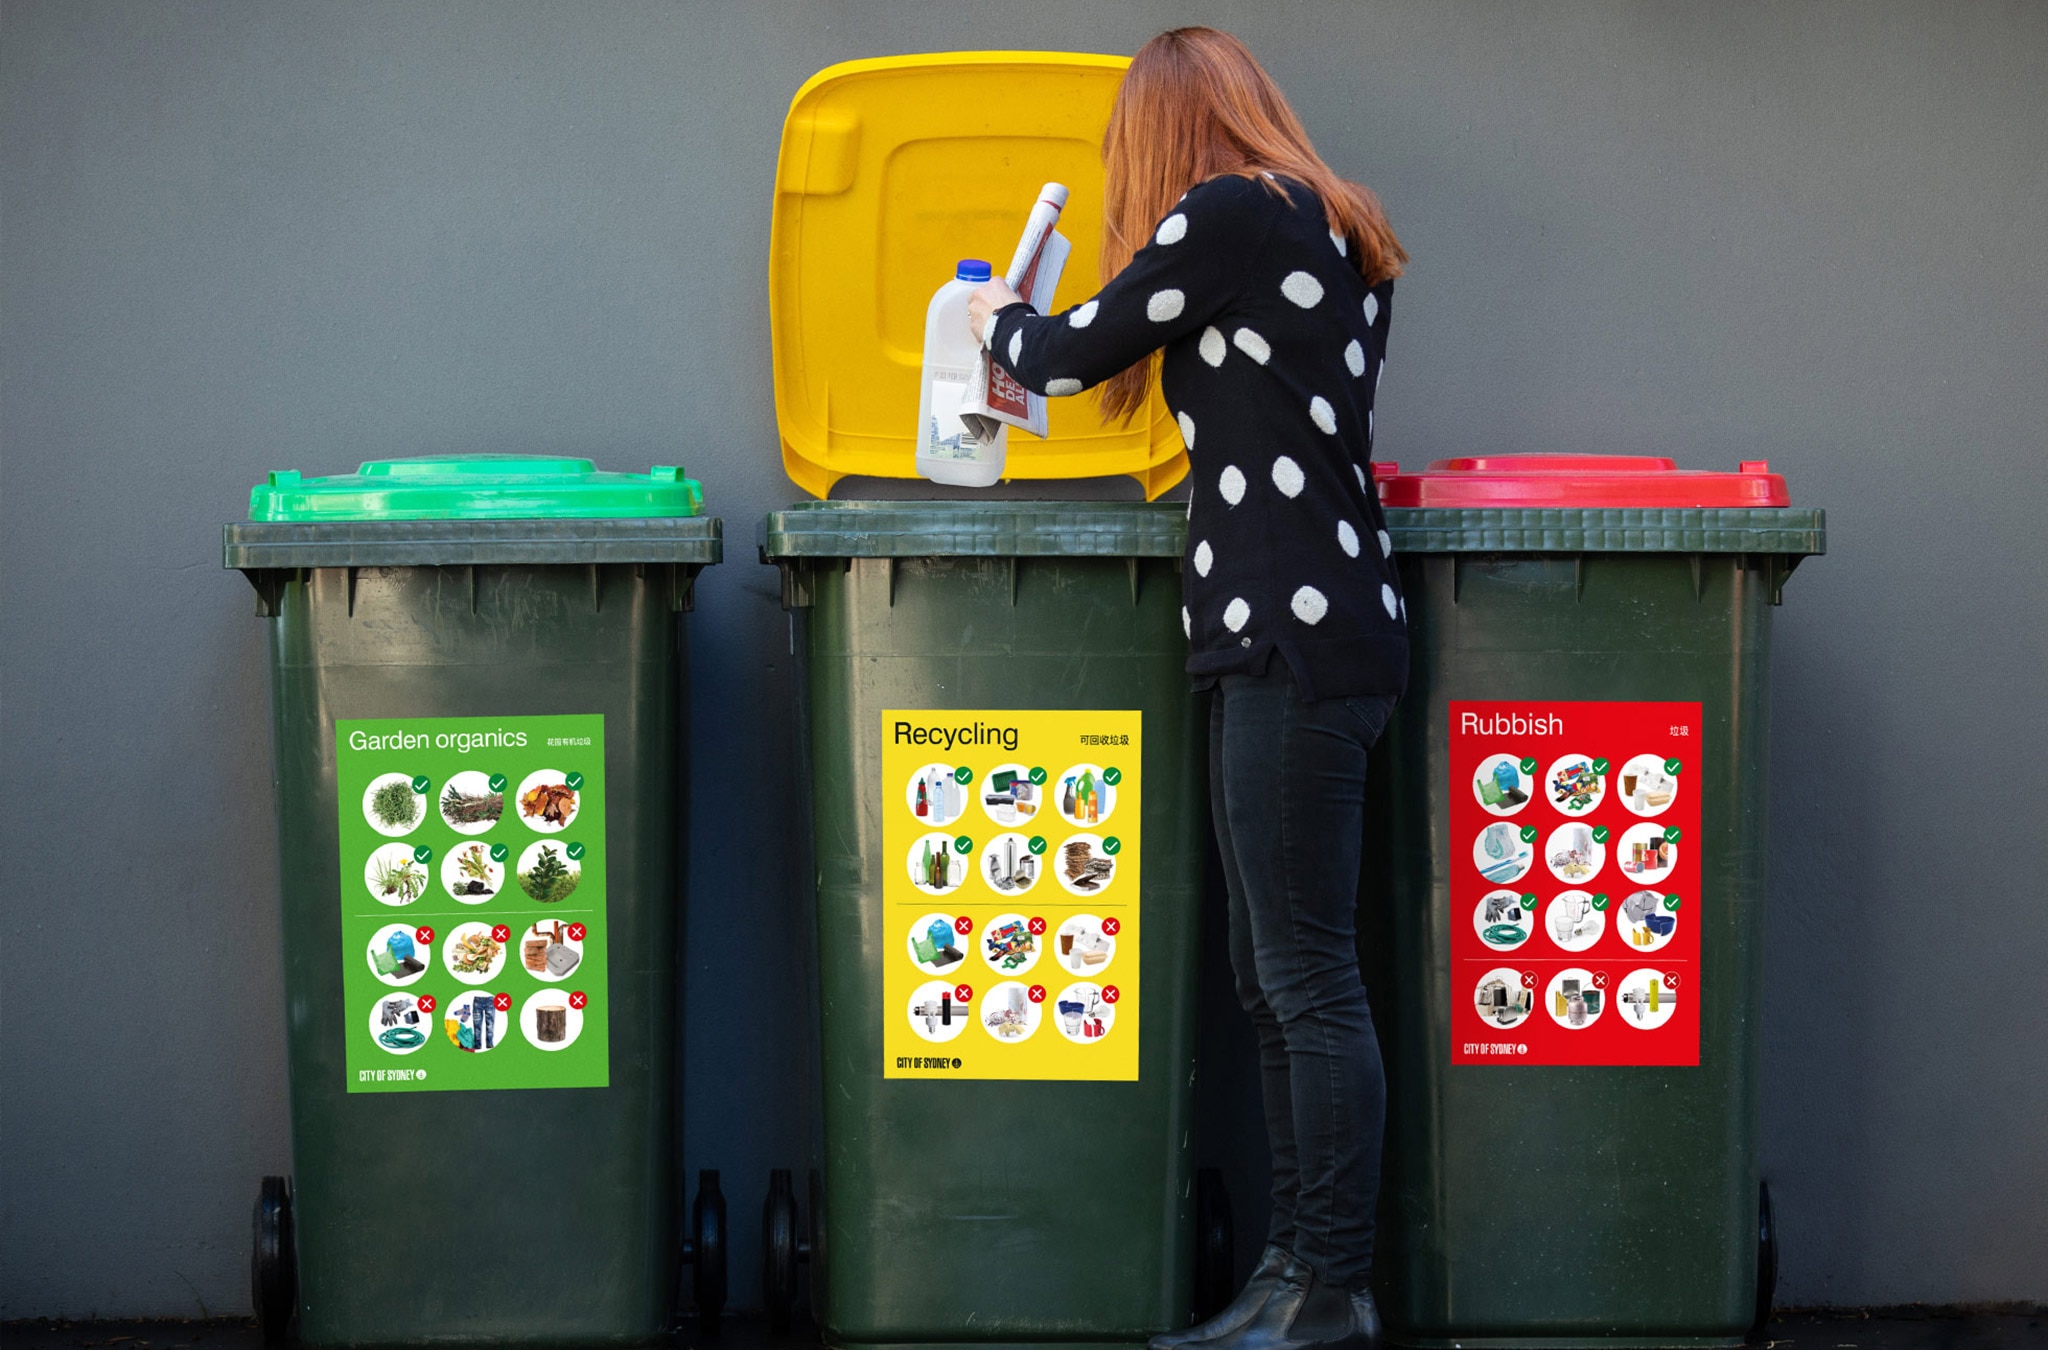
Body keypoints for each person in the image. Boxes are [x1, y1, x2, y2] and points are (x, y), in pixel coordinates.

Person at [967, 27, 1408, 1350]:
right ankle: (1291, 1276)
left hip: (1290, 632)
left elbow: (1067, 352)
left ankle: (1327, 1285)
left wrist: (995, 315)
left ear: (1166, 133)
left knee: (1307, 976)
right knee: (1274, 973)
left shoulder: (1234, 213)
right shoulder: (1333, 228)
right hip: (1310, 631)